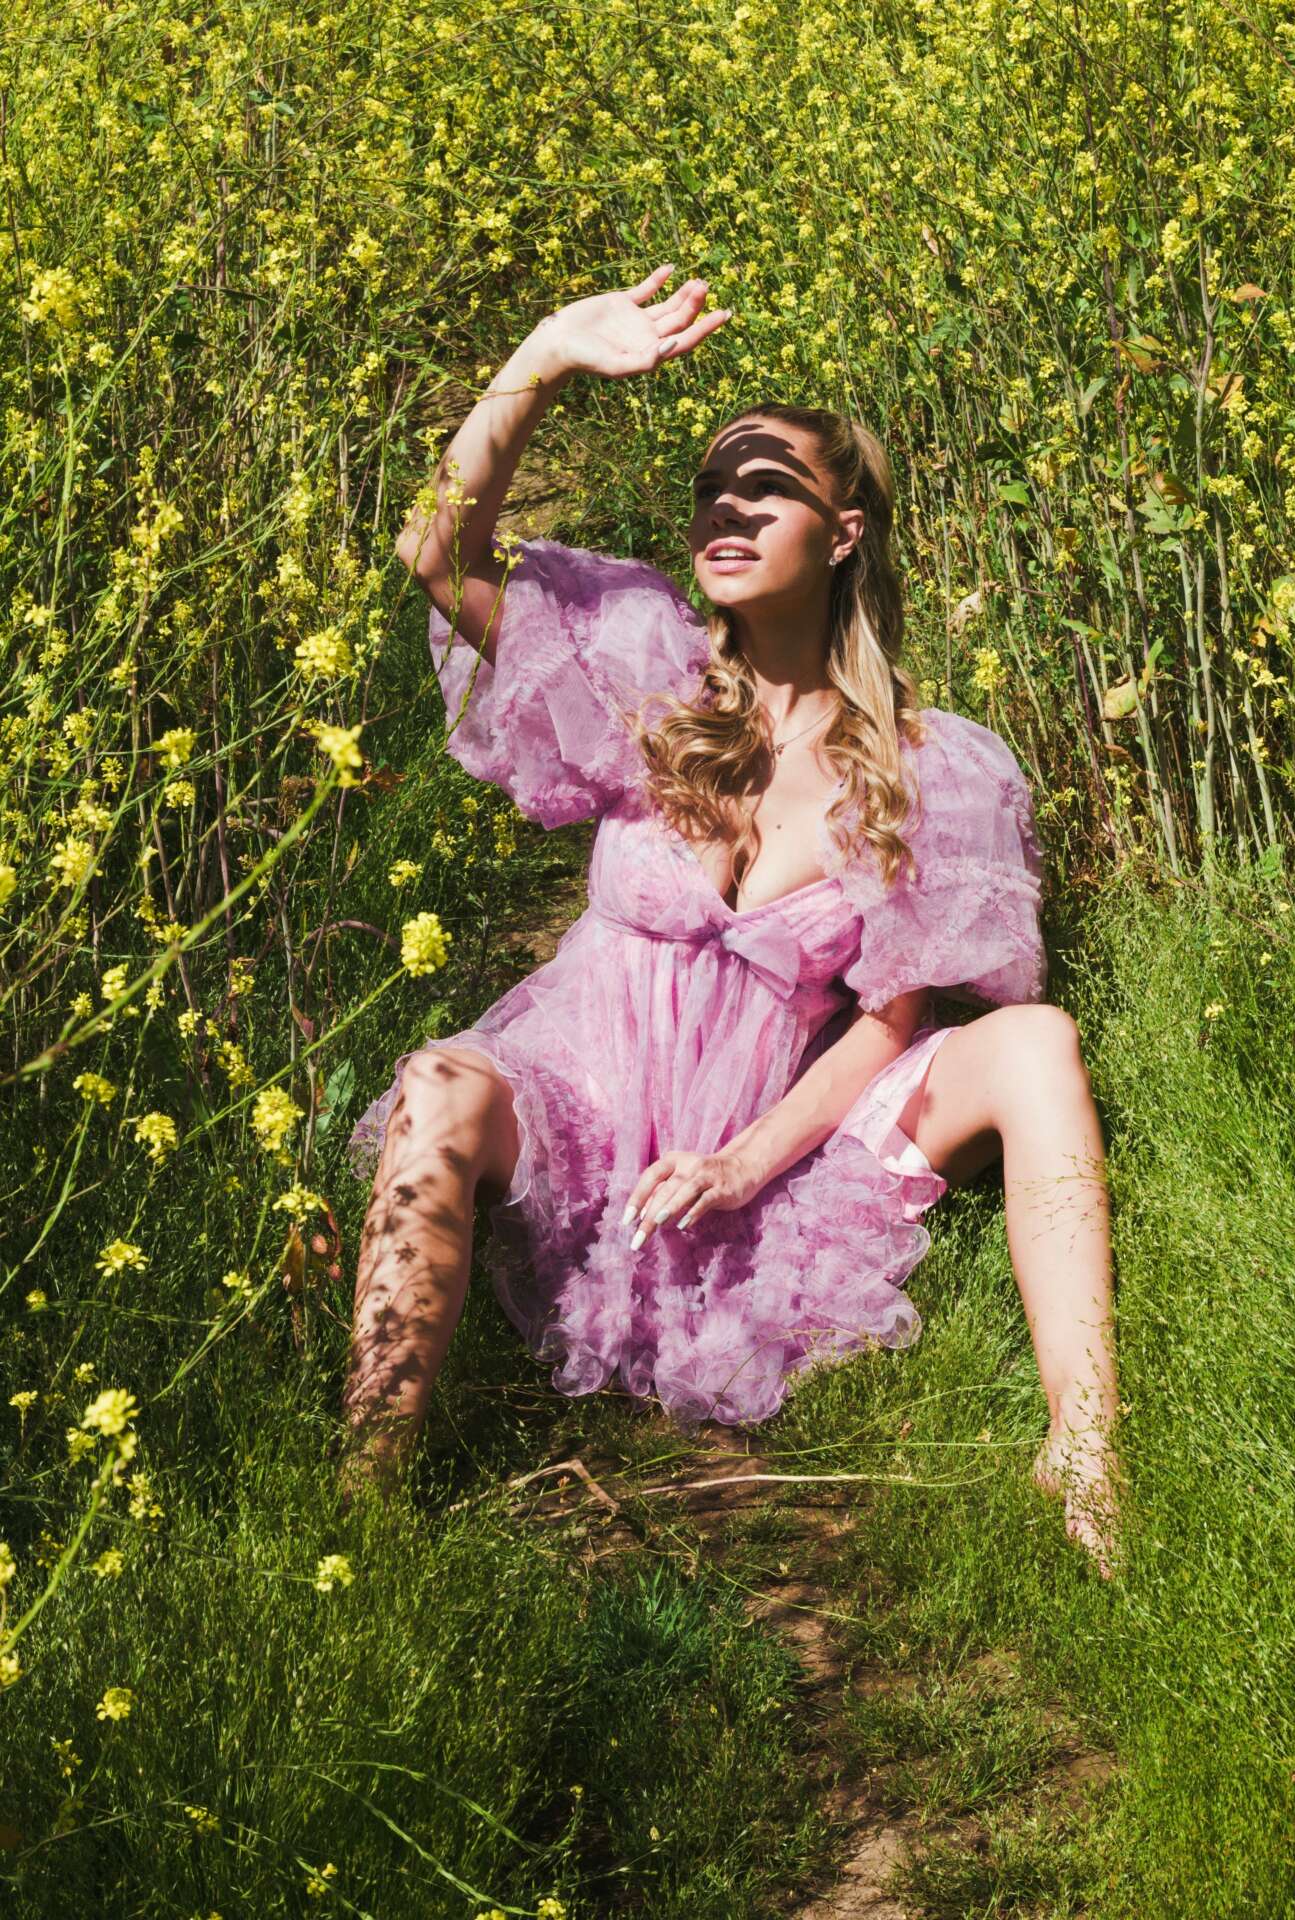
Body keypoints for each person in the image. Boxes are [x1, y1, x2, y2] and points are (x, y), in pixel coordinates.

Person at [342, 266, 1123, 1577]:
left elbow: (889, 1022)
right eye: (712, 485)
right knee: (438, 1083)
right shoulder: (644, 676)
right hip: (589, 1105)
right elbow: (438, 552)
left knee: (1036, 1039)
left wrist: (744, 1166)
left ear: (844, 531)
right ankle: (360, 1498)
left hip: (767, 1144)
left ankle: (1087, 1445)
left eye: (766, 487)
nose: (726, 506)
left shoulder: (928, 766)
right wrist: (545, 354)